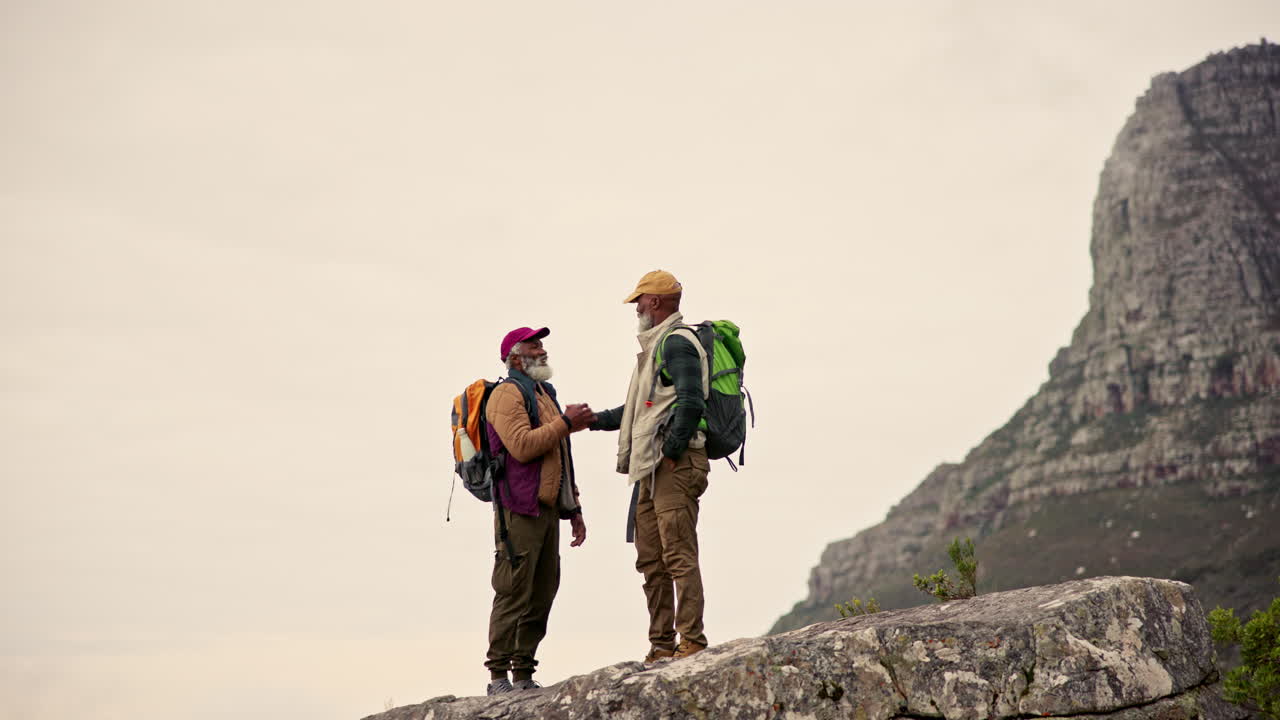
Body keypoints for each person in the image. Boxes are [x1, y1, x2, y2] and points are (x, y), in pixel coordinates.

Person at [590, 270, 712, 663]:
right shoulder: (657, 346)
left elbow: (692, 400)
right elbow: (639, 411)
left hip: (672, 465)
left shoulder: (676, 343)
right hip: (651, 468)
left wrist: (673, 451)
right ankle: (661, 646)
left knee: (677, 553)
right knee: (651, 558)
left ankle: (691, 642)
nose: (637, 308)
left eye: (639, 301)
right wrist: (593, 419)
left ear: (655, 303)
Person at [483, 326, 595, 695]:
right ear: (516, 357)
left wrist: (573, 506)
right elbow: (522, 447)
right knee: (514, 590)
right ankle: (498, 677)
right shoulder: (505, 394)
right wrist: (566, 423)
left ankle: (524, 674)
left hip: (546, 508)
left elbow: (560, 454)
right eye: (535, 345)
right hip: (519, 507)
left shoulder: (544, 393)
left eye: (541, 344)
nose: (542, 350)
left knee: (543, 591)